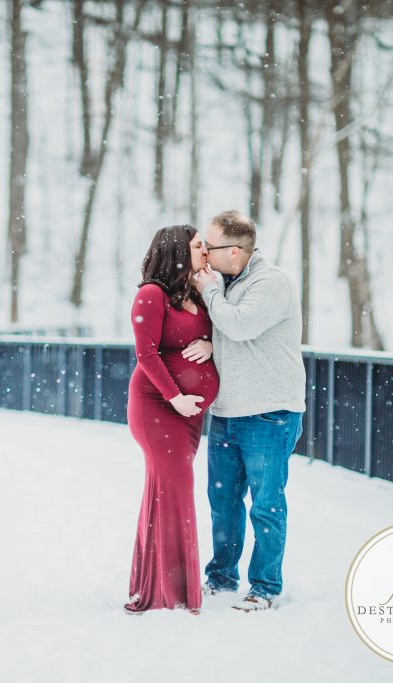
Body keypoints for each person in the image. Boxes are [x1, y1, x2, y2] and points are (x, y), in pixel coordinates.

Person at [193, 210, 306, 612]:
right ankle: (221, 576)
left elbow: (239, 325)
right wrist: (211, 344)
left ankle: (265, 586)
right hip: (227, 410)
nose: (204, 252)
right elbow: (225, 329)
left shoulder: (270, 282)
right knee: (222, 501)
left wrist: (208, 293)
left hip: (269, 411)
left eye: (211, 245)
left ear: (236, 251)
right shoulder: (226, 282)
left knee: (266, 504)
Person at [124, 225, 220, 615]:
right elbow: (146, 354)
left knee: (166, 493)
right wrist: (176, 397)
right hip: (157, 407)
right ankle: (172, 593)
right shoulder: (152, 295)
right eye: (199, 246)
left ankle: (157, 583)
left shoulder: (197, 292)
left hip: (186, 415)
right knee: (175, 491)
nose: (206, 251)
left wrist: (212, 342)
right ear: (178, 250)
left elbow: (218, 333)